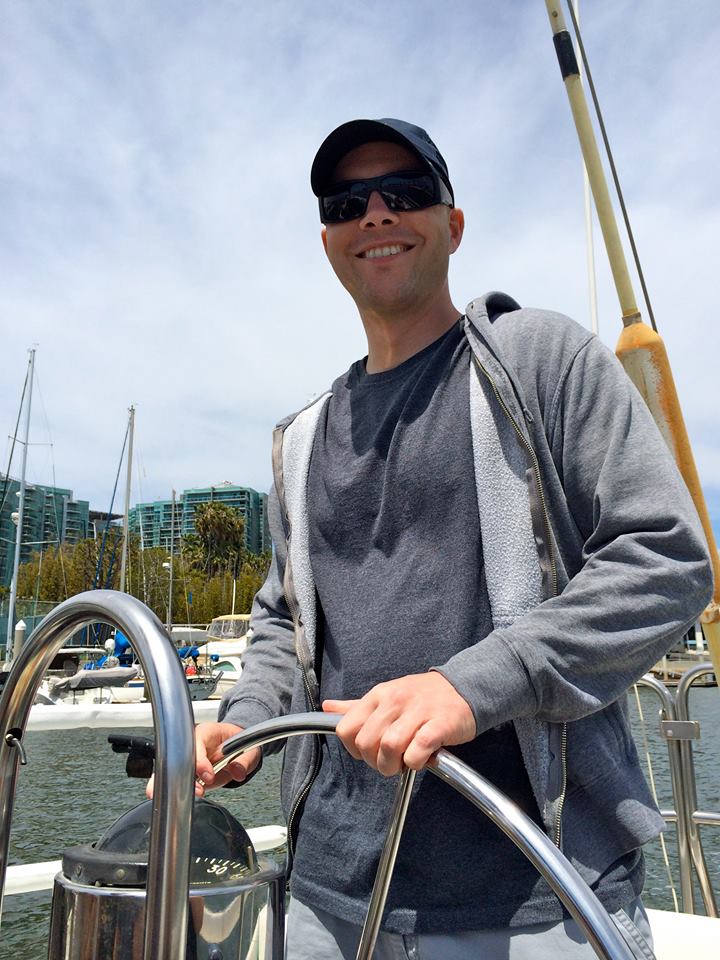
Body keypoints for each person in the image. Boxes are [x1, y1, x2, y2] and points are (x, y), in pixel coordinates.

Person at [189, 119, 713, 958]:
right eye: (347, 201)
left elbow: (666, 556)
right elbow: (284, 620)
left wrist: (470, 685)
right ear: (327, 238)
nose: (376, 215)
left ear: (453, 224)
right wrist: (243, 722)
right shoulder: (300, 438)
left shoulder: (541, 360)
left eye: (405, 192)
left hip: (537, 895)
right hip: (325, 899)